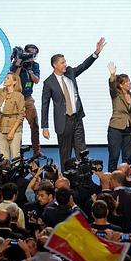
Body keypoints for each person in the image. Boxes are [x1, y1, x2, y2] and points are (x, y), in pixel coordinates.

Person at [41, 38, 106, 170]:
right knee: (65, 155)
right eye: (62, 62)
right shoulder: (49, 82)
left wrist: (96, 53)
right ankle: (66, 180)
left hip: (76, 119)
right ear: (55, 65)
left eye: (65, 62)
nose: (65, 64)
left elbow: (83, 66)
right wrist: (45, 127)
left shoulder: (70, 72)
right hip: (63, 122)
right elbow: (45, 105)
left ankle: (83, 178)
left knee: (82, 152)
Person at [106, 62, 131, 172]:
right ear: (120, 85)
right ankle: (111, 179)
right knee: (114, 156)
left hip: (129, 130)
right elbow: (112, 86)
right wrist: (112, 75)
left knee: (127, 158)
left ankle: (126, 179)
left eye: (129, 81)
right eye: (126, 82)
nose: (129, 83)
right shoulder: (116, 94)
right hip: (116, 128)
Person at [13, 44, 42, 157]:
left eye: (34, 53)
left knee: (34, 125)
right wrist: (20, 65)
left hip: (28, 98)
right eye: (30, 52)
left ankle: (37, 151)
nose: (32, 55)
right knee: (17, 126)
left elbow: (36, 80)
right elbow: (13, 78)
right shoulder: (16, 63)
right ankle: (17, 152)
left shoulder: (35, 65)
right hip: (16, 98)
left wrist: (30, 71)